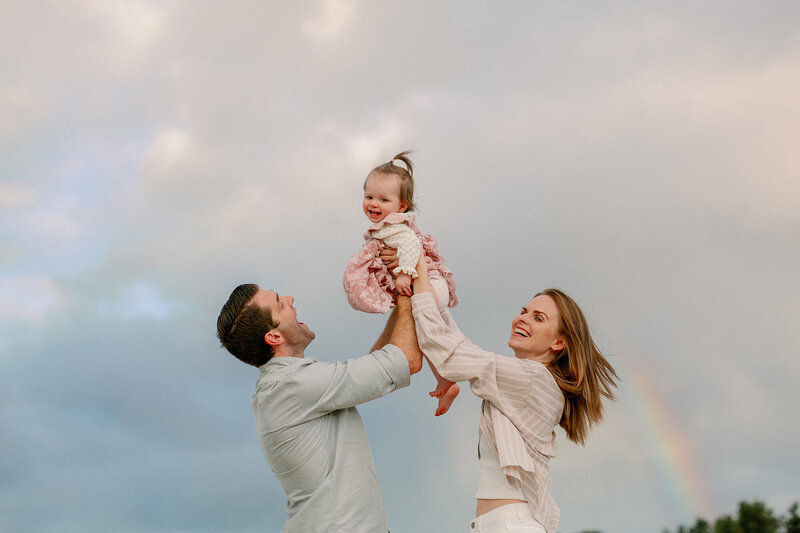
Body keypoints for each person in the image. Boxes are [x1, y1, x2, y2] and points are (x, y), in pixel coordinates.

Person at [405, 256, 618, 533]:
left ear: (558, 342)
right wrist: (434, 294)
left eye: (538, 318)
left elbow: (453, 356)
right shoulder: (527, 381)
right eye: (524, 311)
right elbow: (461, 352)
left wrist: (422, 275)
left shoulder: (532, 379)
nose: (522, 319)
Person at [216, 283, 423, 533]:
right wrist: (409, 292)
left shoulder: (283, 386)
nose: (291, 298)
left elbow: (377, 366)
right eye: (280, 304)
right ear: (274, 337)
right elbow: (406, 361)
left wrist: (400, 305)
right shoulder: (293, 385)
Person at [343, 150, 459, 416]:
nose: (374, 204)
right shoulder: (386, 225)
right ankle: (446, 379)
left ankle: (446, 379)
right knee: (432, 330)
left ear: (402, 205)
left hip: (429, 284)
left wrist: (405, 273)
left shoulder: (394, 226)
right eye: (369, 197)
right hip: (431, 286)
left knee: (423, 329)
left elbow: (410, 243)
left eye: (383, 199)